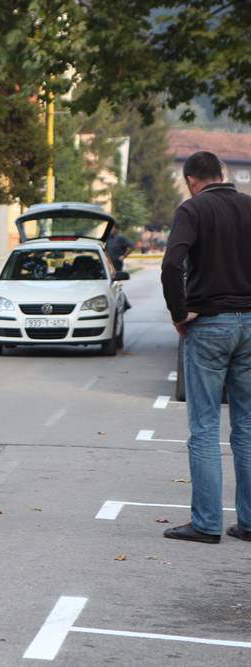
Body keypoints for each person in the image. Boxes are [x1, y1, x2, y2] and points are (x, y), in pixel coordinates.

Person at [161, 150, 251, 544]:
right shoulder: (249, 206)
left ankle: (207, 523)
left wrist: (180, 313)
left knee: (204, 427)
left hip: (210, 323)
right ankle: (248, 523)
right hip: (250, 324)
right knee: (247, 426)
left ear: (191, 180)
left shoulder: (193, 210)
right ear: (223, 174)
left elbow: (171, 264)